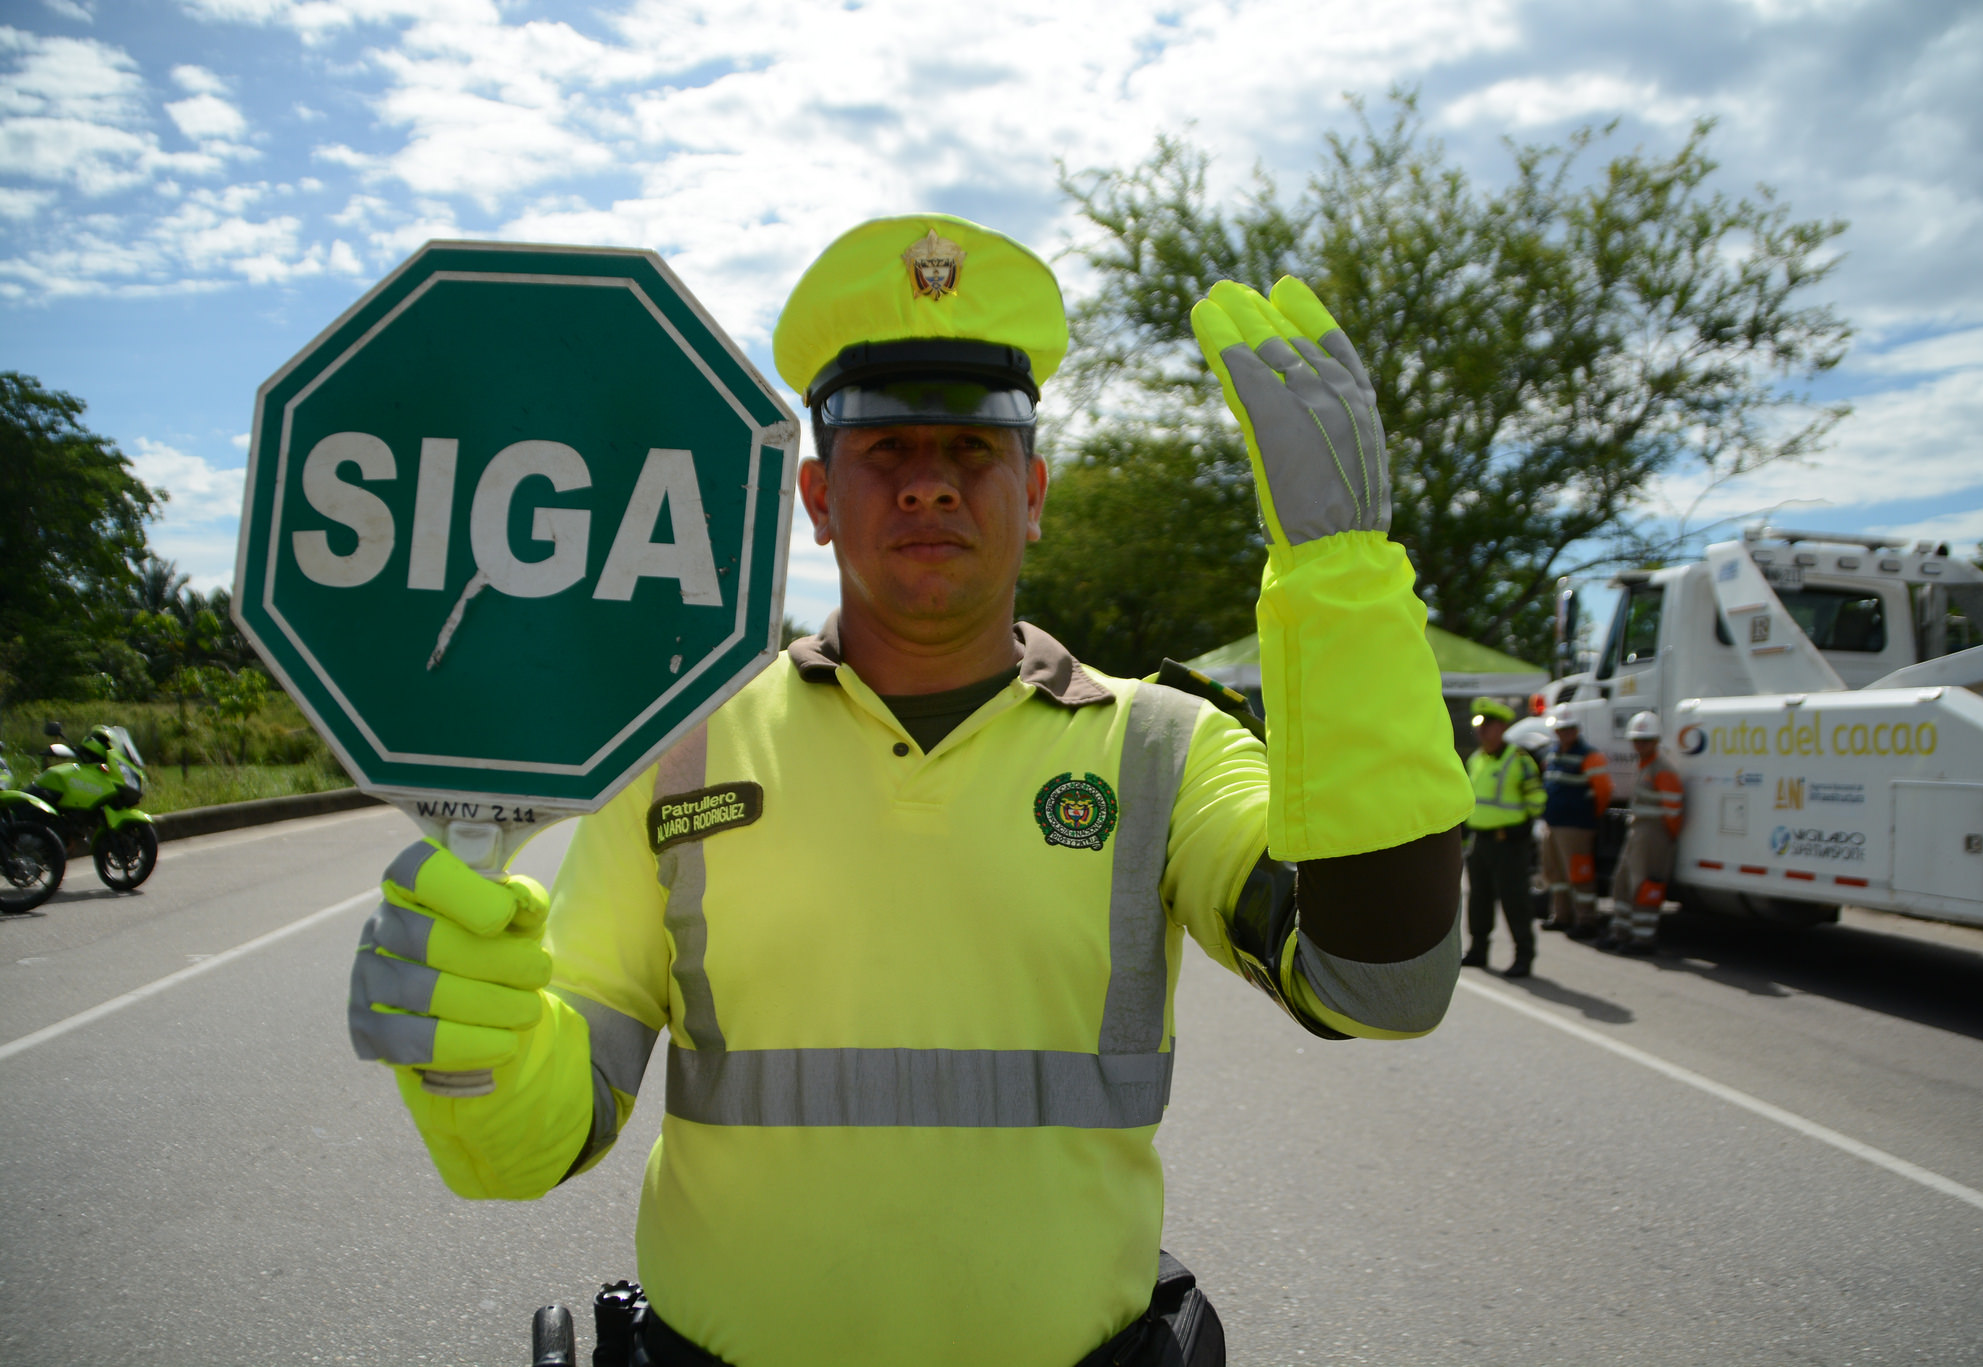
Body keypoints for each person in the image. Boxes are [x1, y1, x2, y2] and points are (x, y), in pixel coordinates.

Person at [346, 214, 1473, 1367]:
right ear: (818, 498)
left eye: (972, 451)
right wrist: (467, 1047)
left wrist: (1341, 593)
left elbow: (1379, 982)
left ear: (1031, 491)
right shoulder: (674, 752)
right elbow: (543, 1130)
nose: (930, 483)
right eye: (886, 450)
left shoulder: (1162, 747)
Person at [1461, 697, 1546, 977]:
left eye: (1487, 725)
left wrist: (1523, 829)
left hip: (1509, 843)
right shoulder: (1476, 759)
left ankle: (1524, 955)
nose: (1481, 730)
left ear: (1502, 727)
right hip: (1481, 842)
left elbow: (1537, 798)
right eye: (1479, 725)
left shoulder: (1519, 760)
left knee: (1515, 900)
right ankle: (1478, 949)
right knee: (1479, 899)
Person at [1600, 710, 1685, 954]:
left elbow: (1674, 810)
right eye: (1636, 740)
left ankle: (1643, 939)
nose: (1639, 744)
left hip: (1653, 833)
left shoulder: (1662, 769)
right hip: (1638, 831)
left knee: (1644, 885)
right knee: (1623, 882)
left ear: (1656, 741)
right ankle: (1621, 932)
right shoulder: (1646, 766)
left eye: (1645, 740)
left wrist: (1666, 837)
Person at [1538, 705, 1610, 938]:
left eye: (1569, 729)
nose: (1564, 733)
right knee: (1554, 873)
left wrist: (1587, 816)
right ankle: (1562, 915)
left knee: (1579, 874)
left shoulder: (1590, 756)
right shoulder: (1552, 753)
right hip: (1553, 823)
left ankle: (1586, 919)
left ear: (1576, 730)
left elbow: (1603, 792)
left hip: (1576, 826)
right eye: (1561, 729)